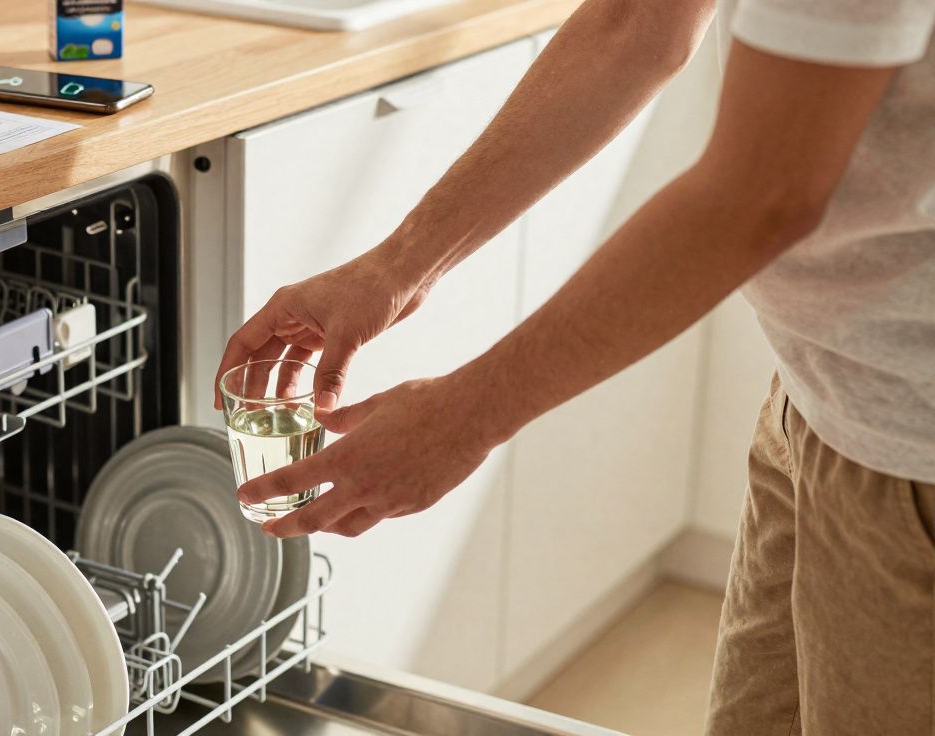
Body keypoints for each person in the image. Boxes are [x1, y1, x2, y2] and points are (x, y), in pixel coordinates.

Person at [214, 0, 935, 732]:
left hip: (910, 454)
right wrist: (395, 267)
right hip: (814, 397)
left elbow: (761, 196)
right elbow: (636, 23)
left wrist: (464, 417)